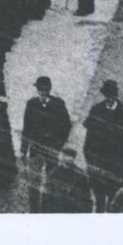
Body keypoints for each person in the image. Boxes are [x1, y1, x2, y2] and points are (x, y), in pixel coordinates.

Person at [82, 80, 123, 212]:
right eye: (107, 96)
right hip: (99, 160)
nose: (109, 99)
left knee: (114, 197)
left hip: (118, 161)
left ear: (116, 95)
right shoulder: (96, 110)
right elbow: (89, 138)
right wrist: (89, 159)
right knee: (99, 198)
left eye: (112, 96)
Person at [21, 76, 73, 205]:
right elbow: (26, 127)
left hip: (52, 147)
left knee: (52, 178)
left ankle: (50, 206)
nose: (42, 92)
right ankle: (34, 207)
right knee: (34, 179)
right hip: (36, 147)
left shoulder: (58, 103)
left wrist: (59, 143)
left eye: (44, 89)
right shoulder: (31, 103)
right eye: (40, 89)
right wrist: (23, 149)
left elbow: (66, 125)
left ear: (49, 89)